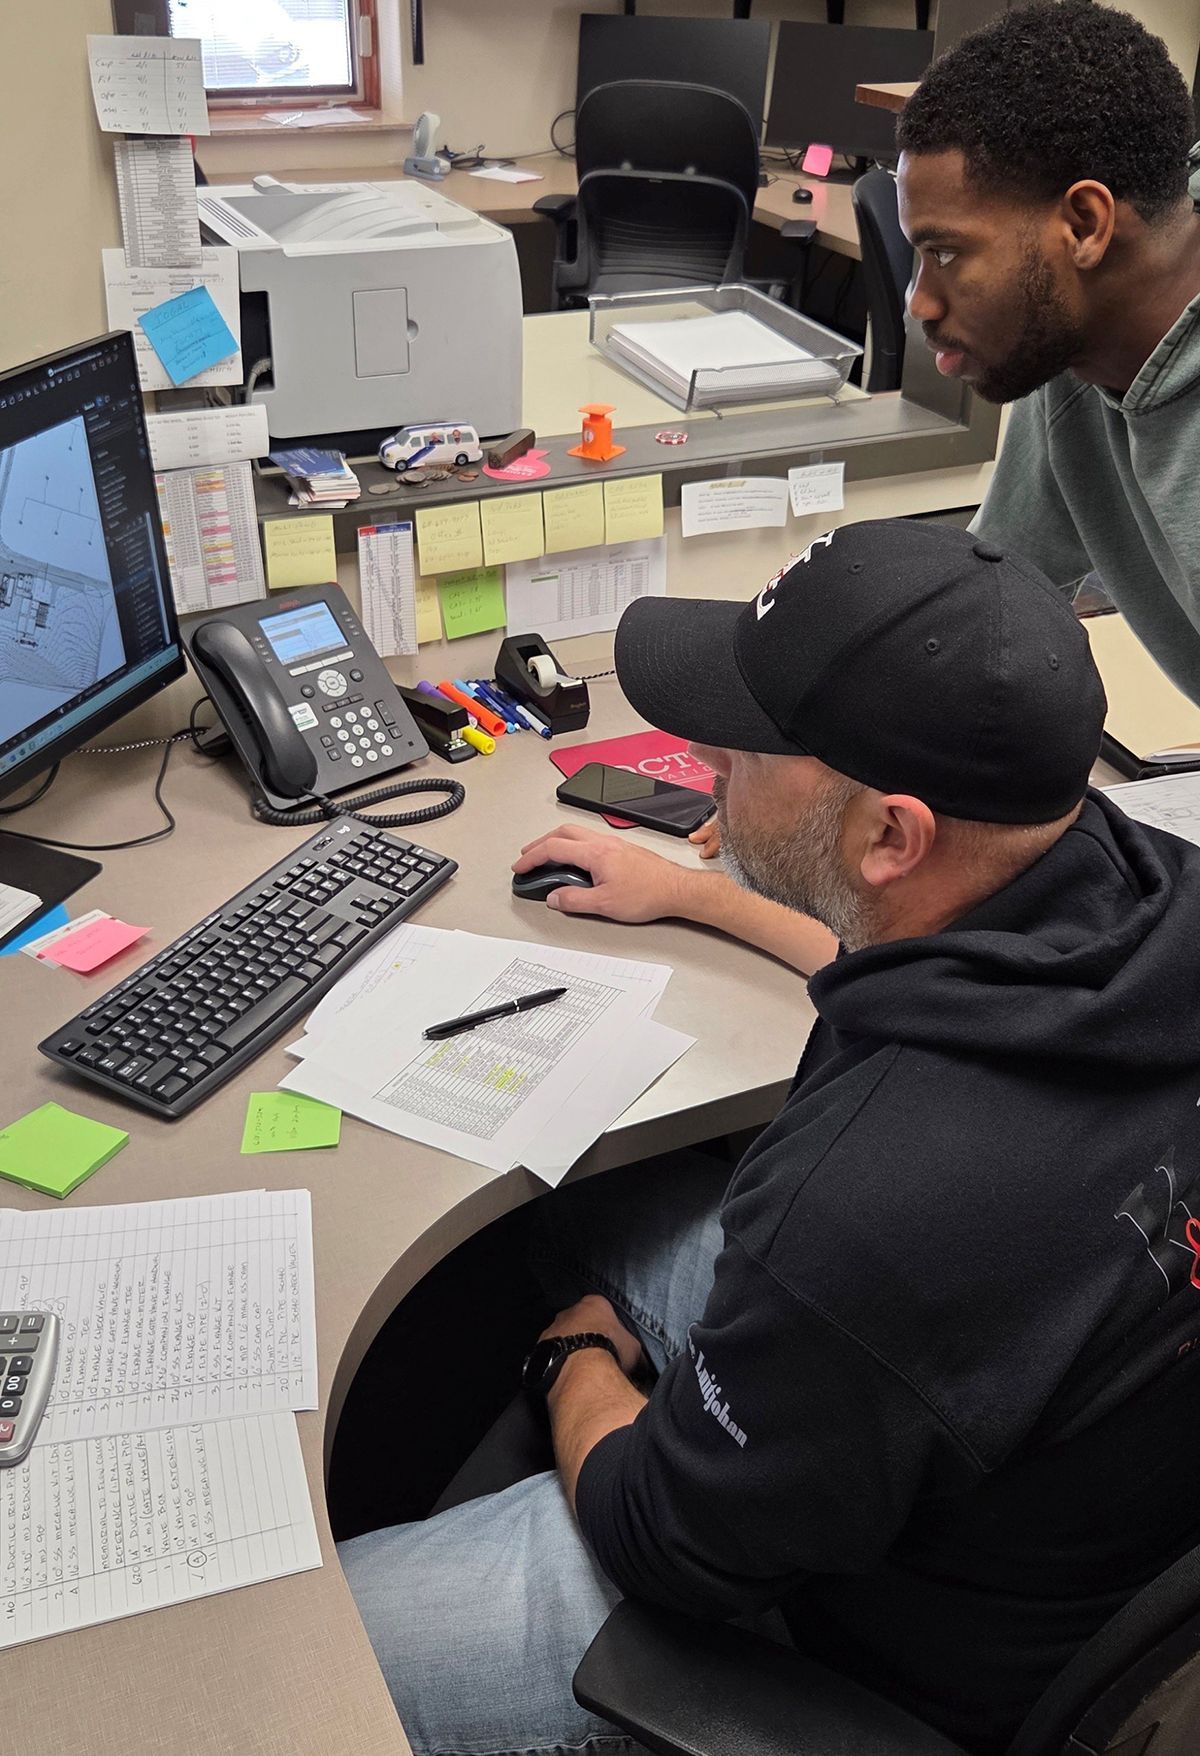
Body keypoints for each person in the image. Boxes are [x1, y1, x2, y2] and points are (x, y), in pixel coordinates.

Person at [339, 520, 1200, 1756]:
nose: (700, 760)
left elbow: (661, 1541)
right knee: (588, 1209)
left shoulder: (872, 1203)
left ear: (892, 834)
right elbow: (913, 958)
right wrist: (696, 892)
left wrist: (577, 1364)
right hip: (1041, 1457)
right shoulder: (1139, 885)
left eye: (744, 749)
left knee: (294, 1651)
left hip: (863, 1642)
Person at [894, 1, 1200, 706]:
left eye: (946, 253)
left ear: (1085, 225)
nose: (920, 303)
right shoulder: (1077, 342)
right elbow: (989, 600)